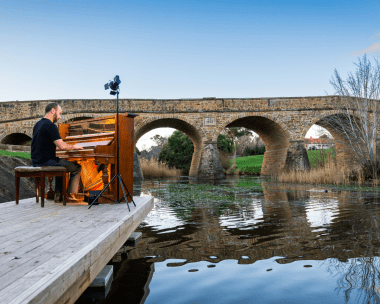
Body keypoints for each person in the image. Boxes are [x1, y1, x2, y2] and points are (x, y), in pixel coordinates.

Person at [31, 102, 84, 202]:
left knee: (60, 164)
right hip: (47, 162)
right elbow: (62, 146)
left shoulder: (37, 125)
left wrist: (66, 148)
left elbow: (47, 146)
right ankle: (70, 195)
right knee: (77, 168)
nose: (59, 117)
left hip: (36, 162)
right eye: (59, 113)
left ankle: (58, 195)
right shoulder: (51, 126)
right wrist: (75, 146)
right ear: (52, 111)